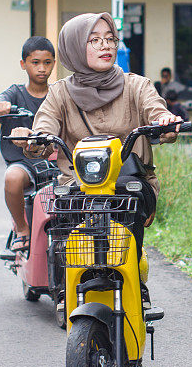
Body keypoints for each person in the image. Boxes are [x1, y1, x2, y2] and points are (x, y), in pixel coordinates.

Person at [10, 13, 182, 225]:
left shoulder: (137, 85)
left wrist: (165, 121)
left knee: (129, 246)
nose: (106, 46)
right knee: (65, 247)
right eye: (95, 40)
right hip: (77, 188)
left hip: (129, 187)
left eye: (110, 39)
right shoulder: (60, 93)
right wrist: (32, 138)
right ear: (74, 47)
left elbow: (155, 109)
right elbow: (45, 127)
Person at [0, 36, 56, 251]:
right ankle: (21, 227)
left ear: (54, 63)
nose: (42, 69)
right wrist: (1, 107)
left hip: (56, 160)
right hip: (24, 163)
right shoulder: (14, 93)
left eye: (47, 62)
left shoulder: (59, 94)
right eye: (35, 63)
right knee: (13, 178)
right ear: (23, 64)